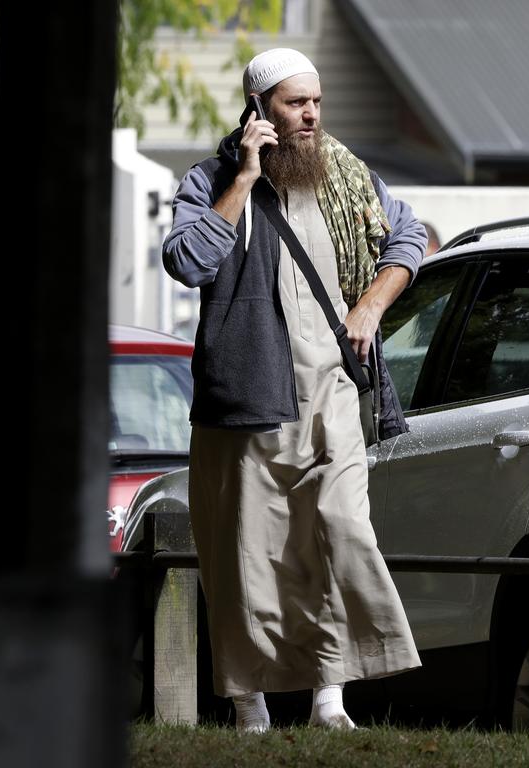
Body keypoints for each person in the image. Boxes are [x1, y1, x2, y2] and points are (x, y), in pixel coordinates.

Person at [162, 48, 425, 732]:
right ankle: (250, 704)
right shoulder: (213, 179)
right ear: (259, 111)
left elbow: (410, 238)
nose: (309, 115)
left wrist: (370, 305)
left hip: (333, 391)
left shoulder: (345, 175)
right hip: (248, 400)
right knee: (247, 556)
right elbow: (187, 260)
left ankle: (329, 697)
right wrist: (245, 178)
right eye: (293, 103)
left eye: (316, 101)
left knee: (339, 531)